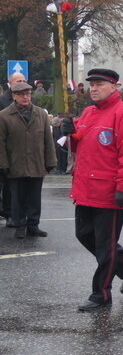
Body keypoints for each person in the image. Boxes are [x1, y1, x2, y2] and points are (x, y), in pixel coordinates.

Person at [60, 68, 123, 311]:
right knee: (84, 235)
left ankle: (101, 294)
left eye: (99, 84)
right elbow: (82, 143)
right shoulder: (89, 112)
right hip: (86, 187)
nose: (94, 89)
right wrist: (71, 134)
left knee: (106, 246)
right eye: (92, 85)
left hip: (109, 190)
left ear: (113, 86)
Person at [0, 82, 57, 238]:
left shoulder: (40, 114)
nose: (25, 97)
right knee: (17, 198)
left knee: (34, 197)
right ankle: (19, 225)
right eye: (21, 95)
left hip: (36, 162)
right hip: (15, 163)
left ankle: (33, 225)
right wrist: (3, 164)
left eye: (27, 94)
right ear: (14, 96)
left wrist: (51, 161)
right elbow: (1, 143)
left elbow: (48, 140)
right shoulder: (4, 116)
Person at [0, 71, 26, 224]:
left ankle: (14, 213)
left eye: (23, 80)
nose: (21, 83)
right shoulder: (2, 101)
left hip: (21, 149)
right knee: (5, 183)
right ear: (10, 84)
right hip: (5, 148)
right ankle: (7, 211)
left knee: (16, 186)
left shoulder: (30, 100)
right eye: (18, 81)